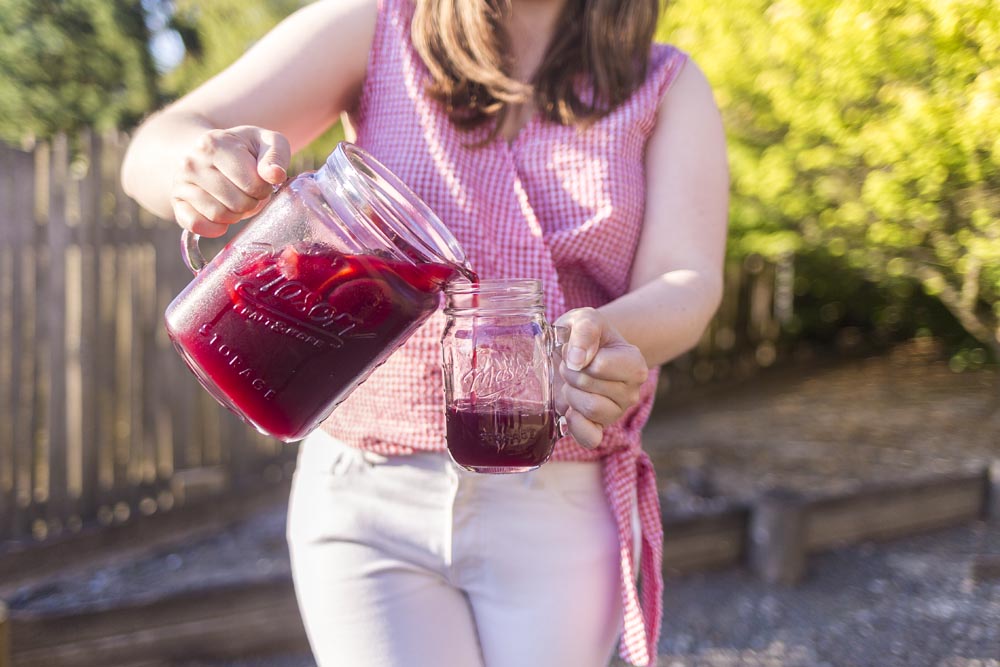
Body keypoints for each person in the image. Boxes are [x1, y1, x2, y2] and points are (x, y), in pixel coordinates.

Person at [121, 0, 728, 664]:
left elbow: (687, 282)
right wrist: (197, 165)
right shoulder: (380, 26)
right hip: (365, 498)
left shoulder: (665, 84)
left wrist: (598, 337)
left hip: (555, 496)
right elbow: (156, 148)